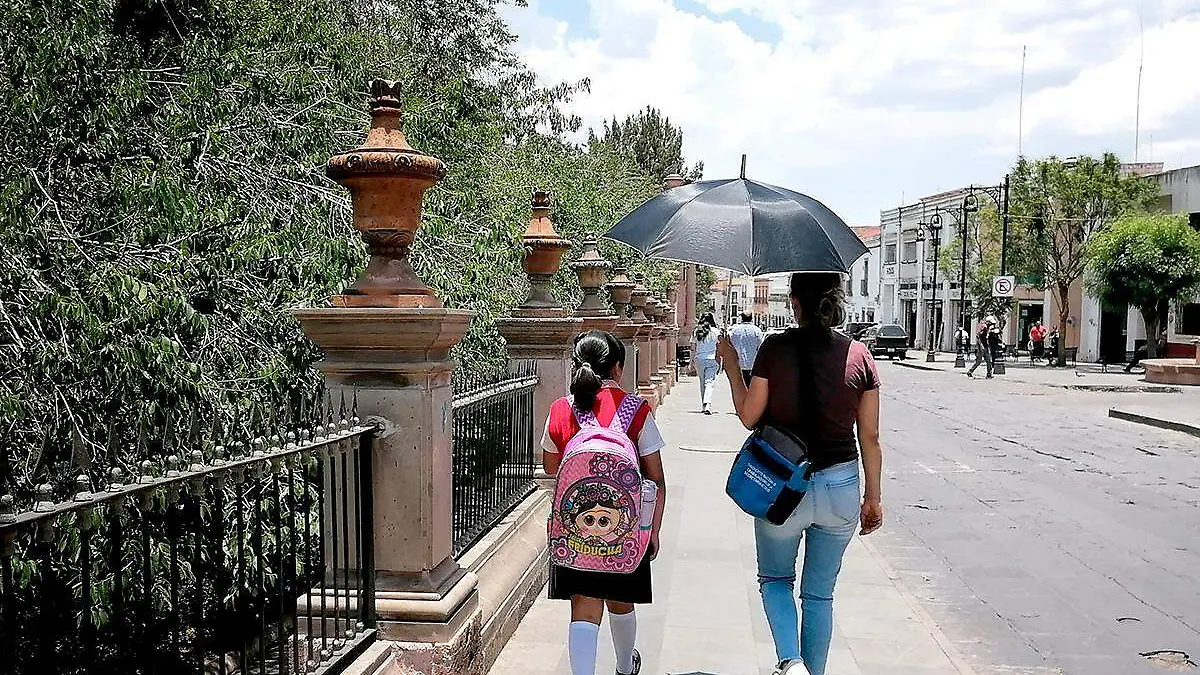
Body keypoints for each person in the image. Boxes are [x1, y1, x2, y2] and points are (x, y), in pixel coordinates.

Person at [715, 272, 884, 675]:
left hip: (782, 484)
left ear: (793, 302)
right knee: (820, 596)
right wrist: (873, 498)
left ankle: (790, 662)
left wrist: (733, 366)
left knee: (775, 579)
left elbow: (748, 415)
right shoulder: (860, 356)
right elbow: (871, 438)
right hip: (841, 485)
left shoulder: (775, 348)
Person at [542, 330, 668, 675]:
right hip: (625, 530)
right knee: (621, 599)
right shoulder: (636, 410)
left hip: (574, 530)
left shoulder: (561, 408)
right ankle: (626, 667)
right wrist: (652, 531)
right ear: (618, 368)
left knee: (583, 606)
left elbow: (552, 467)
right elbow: (655, 477)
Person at [693, 312, 721, 415]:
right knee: (709, 382)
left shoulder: (697, 331)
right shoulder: (716, 332)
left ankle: (703, 405)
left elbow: (693, 347)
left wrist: (692, 361)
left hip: (699, 359)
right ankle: (707, 404)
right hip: (712, 359)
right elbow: (719, 347)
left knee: (702, 383)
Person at [729, 312, 766, 386]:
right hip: (753, 364)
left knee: (740, 388)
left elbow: (731, 347)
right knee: (751, 388)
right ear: (751, 318)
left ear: (742, 318)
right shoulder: (757, 331)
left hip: (739, 364)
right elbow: (760, 348)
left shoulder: (735, 331)